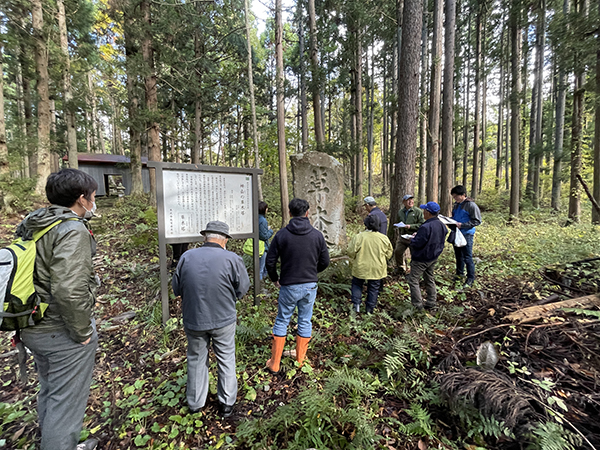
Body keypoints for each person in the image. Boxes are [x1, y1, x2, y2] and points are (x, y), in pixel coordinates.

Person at [17, 169, 100, 450]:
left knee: (52, 389)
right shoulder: (71, 229)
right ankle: (60, 444)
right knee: (66, 402)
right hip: (59, 330)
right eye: (92, 197)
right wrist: (82, 332)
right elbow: (69, 289)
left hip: (31, 322)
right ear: (82, 199)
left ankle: (54, 439)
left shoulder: (36, 222)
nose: (94, 202)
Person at [172, 221, 250, 418]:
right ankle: (226, 404)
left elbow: (177, 288)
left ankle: (195, 404)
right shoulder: (232, 259)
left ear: (205, 237)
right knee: (226, 357)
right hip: (223, 318)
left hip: (194, 317)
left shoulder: (187, 257)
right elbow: (242, 288)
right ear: (225, 240)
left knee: (196, 358)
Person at [265, 198, 330, 373]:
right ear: (307, 213)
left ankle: (275, 363)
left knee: (282, 320)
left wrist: (275, 278)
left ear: (290, 213)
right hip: (310, 285)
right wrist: (312, 272)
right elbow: (325, 261)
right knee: (305, 320)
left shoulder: (281, 235)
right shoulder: (317, 235)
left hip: (288, 285)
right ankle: (300, 361)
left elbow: (270, 261)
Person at [347, 215, 393, 314]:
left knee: (357, 284)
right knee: (373, 288)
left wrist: (355, 257)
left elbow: (350, 251)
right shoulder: (383, 238)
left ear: (366, 224)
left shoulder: (359, 237)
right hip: (377, 268)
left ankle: (356, 305)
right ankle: (369, 310)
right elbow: (389, 254)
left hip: (361, 266)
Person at [407, 202, 448, 310]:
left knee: (413, 280)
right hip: (433, 257)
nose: (423, 212)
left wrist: (412, 239)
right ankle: (431, 301)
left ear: (428, 213)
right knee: (429, 278)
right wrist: (418, 236)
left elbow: (418, 243)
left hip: (421, 258)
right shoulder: (441, 224)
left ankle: (417, 305)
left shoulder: (426, 226)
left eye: (424, 210)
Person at [450, 185, 482, 288]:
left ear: (463, 195)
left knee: (467, 257)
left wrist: (462, 225)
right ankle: (459, 275)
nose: (455, 198)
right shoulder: (456, 205)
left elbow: (477, 221)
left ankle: (470, 278)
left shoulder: (471, 205)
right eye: (454, 196)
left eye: (456, 196)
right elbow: (455, 217)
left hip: (467, 234)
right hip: (457, 233)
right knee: (458, 256)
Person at [394, 194, 425, 274]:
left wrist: (410, 226)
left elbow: (422, 224)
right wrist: (399, 226)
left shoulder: (418, 211)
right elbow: (398, 221)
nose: (410, 201)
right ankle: (401, 268)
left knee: (414, 254)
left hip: (413, 237)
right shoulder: (401, 212)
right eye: (408, 200)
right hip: (403, 237)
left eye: (411, 200)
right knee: (398, 252)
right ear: (404, 202)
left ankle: (414, 270)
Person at [258, 201, 274, 281]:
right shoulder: (263, 220)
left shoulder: (255, 218)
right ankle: (260, 285)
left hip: (257, 245)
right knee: (261, 268)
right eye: (266, 208)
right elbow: (264, 236)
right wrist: (270, 231)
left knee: (262, 267)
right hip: (262, 247)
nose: (267, 209)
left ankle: (262, 283)